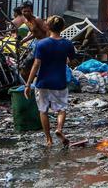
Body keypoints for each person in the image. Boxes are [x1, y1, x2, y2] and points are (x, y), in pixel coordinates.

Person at [24, 15, 77, 146]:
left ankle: (49, 139)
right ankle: (59, 129)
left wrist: (28, 84)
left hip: (42, 82)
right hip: (59, 82)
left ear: (47, 27)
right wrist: (67, 60)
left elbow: (36, 65)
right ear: (63, 28)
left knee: (43, 111)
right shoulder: (67, 44)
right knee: (62, 109)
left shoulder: (41, 44)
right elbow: (73, 61)